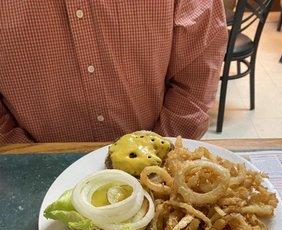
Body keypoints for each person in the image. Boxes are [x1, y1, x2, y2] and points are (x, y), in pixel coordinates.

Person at [0, 1, 227, 144]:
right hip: (35, 172)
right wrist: (26, 159)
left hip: (157, 165)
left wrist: (160, 150)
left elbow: (198, 67)